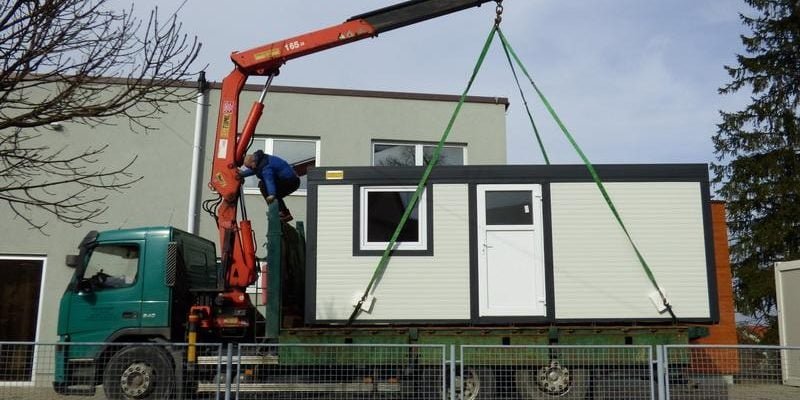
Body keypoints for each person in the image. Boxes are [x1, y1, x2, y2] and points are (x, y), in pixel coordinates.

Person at [240, 150, 300, 222]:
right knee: (273, 193)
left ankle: (281, 213)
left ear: (253, 162)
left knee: (264, 187)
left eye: (250, 167)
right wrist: (242, 174)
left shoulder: (266, 167)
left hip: (291, 182)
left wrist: (272, 194)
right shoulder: (259, 160)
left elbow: (269, 180)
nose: (250, 168)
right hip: (289, 179)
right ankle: (283, 212)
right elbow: (254, 170)